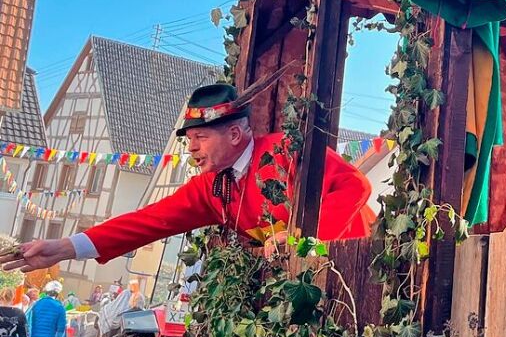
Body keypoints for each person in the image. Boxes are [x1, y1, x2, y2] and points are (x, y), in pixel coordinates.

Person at [0, 83, 377, 275]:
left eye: (201, 138)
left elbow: (356, 186)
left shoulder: (286, 150)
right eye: (190, 139)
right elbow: (145, 223)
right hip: (295, 281)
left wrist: (303, 240)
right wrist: (66, 247)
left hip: (353, 265)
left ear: (234, 134)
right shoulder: (212, 187)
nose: (192, 148)